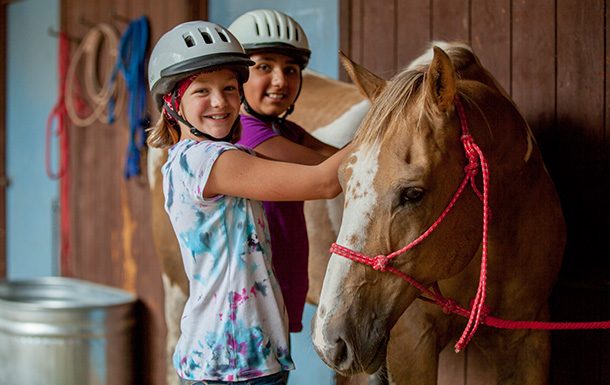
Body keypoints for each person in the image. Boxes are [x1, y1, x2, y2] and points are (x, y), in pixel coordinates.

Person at [147, 20, 350, 385]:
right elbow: (324, 182)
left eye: (229, 88)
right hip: (230, 360)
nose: (220, 102)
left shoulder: (203, 155)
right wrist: (389, 126)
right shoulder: (210, 161)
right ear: (172, 102)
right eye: (201, 92)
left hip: (242, 352)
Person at [228, 9, 337, 334]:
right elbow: (331, 169)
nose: (280, 81)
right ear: (236, 76)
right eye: (264, 67)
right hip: (251, 302)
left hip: (280, 289)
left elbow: (335, 152)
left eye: (291, 69)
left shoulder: (285, 130)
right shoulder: (247, 133)